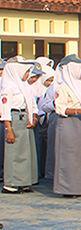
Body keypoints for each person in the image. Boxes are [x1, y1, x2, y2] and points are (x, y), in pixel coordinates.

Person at [53, 56, 81, 198]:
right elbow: (60, 108)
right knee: (70, 156)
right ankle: (68, 188)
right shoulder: (64, 87)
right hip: (69, 123)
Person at [1, 60, 39, 194]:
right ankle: (11, 183)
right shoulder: (8, 88)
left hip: (25, 119)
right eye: (26, 72)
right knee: (14, 152)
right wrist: (9, 129)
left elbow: (32, 104)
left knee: (27, 152)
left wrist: (34, 117)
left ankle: (24, 182)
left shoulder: (24, 86)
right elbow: (5, 111)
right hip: (15, 119)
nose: (28, 75)